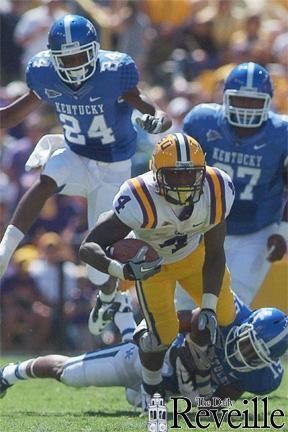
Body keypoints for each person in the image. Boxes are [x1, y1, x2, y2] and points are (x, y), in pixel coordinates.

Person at [0, 15, 172, 308]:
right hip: (76, 153)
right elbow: (10, 115)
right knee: (47, 177)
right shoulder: (44, 73)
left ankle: (108, 298)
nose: (74, 65)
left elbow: (149, 107)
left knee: (95, 269)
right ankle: (5, 251)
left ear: (94, 50)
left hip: (113, 167)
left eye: (80, 56)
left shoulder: (115, 71)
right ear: (53, 58)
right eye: (66, 59)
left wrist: (156, 120)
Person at [78, 132, 236, 400]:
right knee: (161, 336)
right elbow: (87, 247)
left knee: (224, 316)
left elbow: (216, 252)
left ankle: (193, 365)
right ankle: (151, 387)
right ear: (156, 173)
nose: (184, 182)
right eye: (175, 175)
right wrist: (123, 271)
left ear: (202, 171)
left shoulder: (216, 188)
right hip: (154, 267)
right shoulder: (140, 196)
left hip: (195, 257)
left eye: (190, 174)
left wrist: (207, 305)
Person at [1, 294, 287, 410]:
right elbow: (165, 323)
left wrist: (194, 404)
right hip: (153, 358)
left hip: (170, 392)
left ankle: (123, 318)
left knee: (138, 398)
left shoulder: (264, 378)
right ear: (244, 326)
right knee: (66, 374)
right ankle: (7, 375)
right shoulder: (222, 316)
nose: (244, 354)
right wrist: (179, 357)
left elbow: (221, 401)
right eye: (248, 344)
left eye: (254, 356)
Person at [181, 62, 288, 307]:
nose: (246, 109)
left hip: (256, 231)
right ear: (225, 98)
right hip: (203, 225)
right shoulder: (201, 122)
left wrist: (283, 232)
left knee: (232, 304)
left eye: (254, 102)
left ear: (268, 101)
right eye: (240, 100)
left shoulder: (282, 134)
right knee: (184, 304)